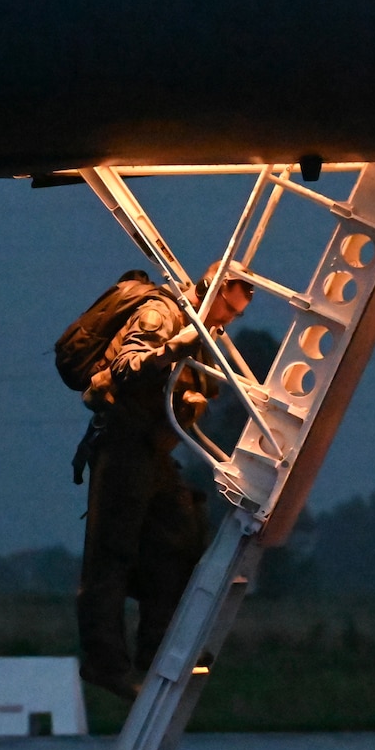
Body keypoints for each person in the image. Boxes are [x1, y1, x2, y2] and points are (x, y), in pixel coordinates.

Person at [75, 266, 254, 700]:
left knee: (181, 540)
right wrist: (173, 350)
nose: (226, 321)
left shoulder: (206, 333)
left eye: (233, 315)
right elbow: (126, 367)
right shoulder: (161, 315)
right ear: (210, 292)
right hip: (122, 446)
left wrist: (194, 389)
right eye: (225, 309)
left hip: (154, 451)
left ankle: (160, 652)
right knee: (110, 557)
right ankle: (105, 664)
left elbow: (201, 386)